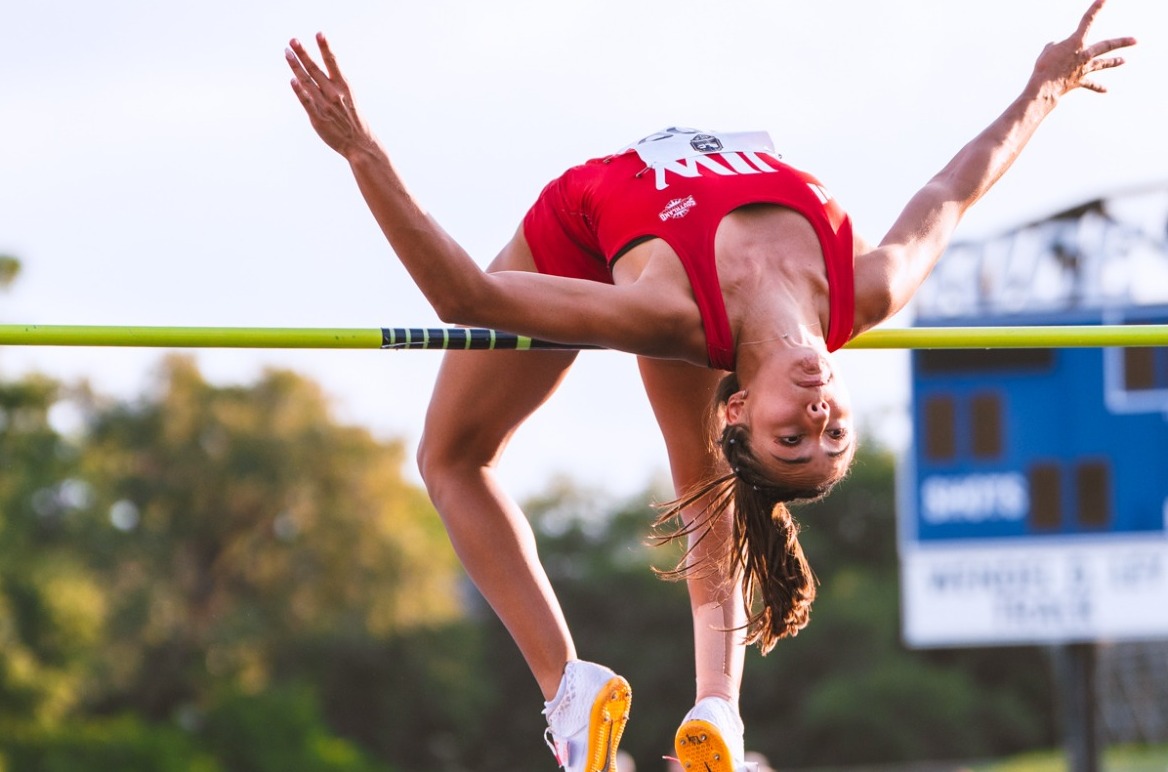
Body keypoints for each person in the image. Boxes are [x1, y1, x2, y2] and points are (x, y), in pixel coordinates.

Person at [285, 3, 1133, 770]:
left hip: (582, 236)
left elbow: (466, 298)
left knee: (452, 459)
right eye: (832, 432)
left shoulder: (670, 315)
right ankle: (718, 709)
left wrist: (364, 153)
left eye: (790, 438)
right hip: (679, 248)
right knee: (702, 487)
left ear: (741, 410)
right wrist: (1045, 88)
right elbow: (956, 188)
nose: (815, 417)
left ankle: (572, 692)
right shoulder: (867, 289)